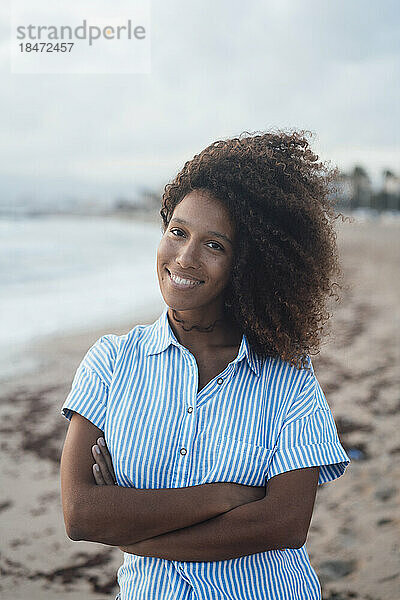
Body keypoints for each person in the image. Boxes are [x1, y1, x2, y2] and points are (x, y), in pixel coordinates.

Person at [60, 129, 351, 600]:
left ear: (248, 264)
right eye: (178, 231)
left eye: (214, 245)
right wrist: (224, 496)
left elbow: (284, 524)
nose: (185, 257)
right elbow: (81, 514)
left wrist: (135, 530)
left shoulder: (287, 376)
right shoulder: (111, 363)